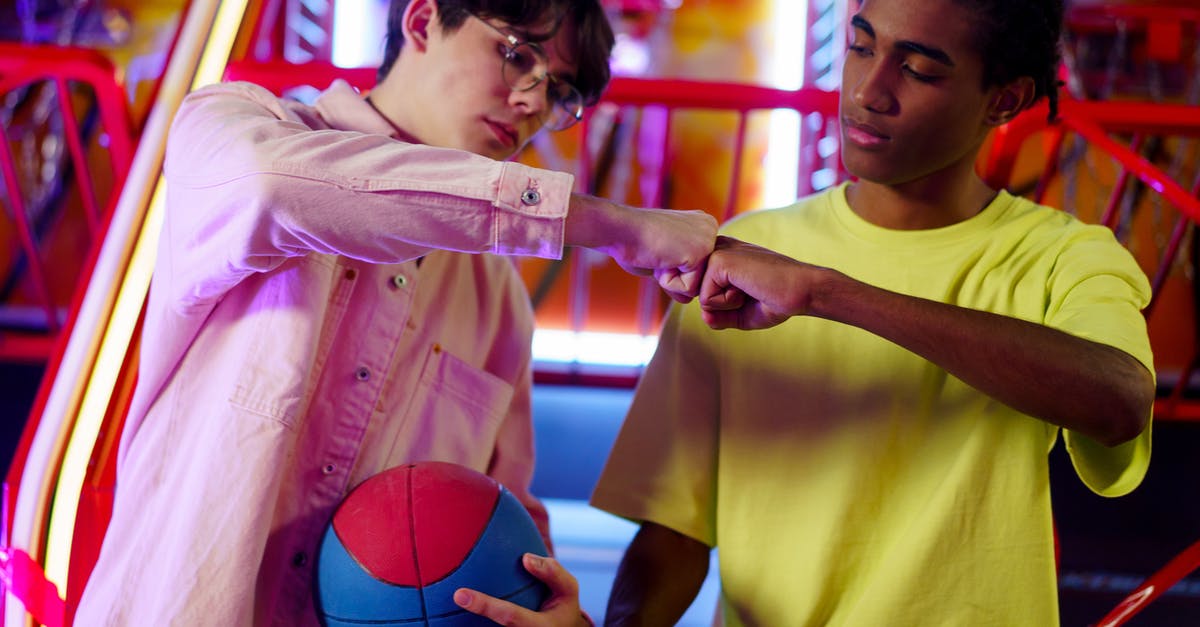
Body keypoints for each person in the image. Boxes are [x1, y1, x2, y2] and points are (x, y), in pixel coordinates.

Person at [73, 0, 717, 624]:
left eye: (558, 92)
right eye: (518, 56)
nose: (532, 102)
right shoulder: (234, 127)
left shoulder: (500, 302)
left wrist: (547, 609)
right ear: (421, 19)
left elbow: (503, 510)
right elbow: (271, 188)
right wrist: (614, 225)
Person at [583, 0, 1156, 625]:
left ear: (1006, 100)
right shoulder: (743, 251)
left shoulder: (1062, 257)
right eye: (861, 47)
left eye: (917, 70)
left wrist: (831, 294)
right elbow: (676, 527)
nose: (867, 90)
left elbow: (1120, 400)